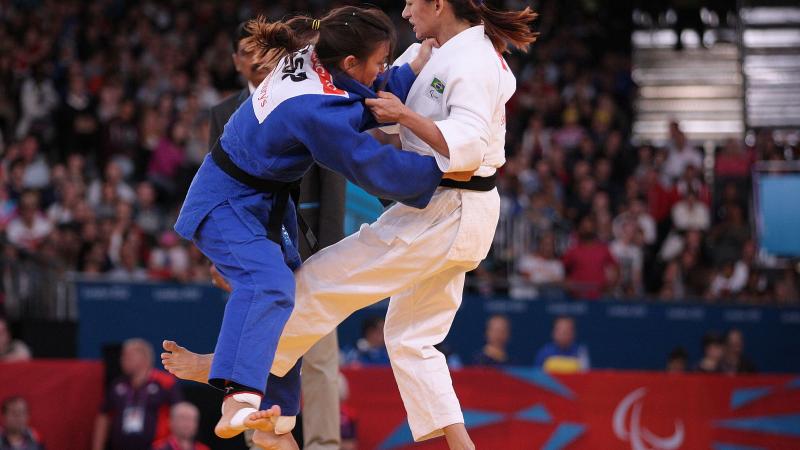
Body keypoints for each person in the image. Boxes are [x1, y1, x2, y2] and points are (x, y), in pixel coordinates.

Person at [164, 1, 536, 448]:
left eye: (412, 1)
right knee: (408, 340)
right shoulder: (434, 53)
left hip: (448, 209)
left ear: (439, 4)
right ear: (350, 61)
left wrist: (410, 112)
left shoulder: (462, 58)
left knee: (309, 286)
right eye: (380, 60)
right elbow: (371, 121)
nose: (405, 8)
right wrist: (414, 91)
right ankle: (460, 444)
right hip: (446, 210)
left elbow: (390, 109)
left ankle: (233, 370)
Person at [209, 22, 345, 450]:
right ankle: (261, 440)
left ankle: (324, 444)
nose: (254, 58)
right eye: (245, 52)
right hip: (252, 244)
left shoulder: (307, 94)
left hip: (307, 244)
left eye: (259, 49)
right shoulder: (223, 111)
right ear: (235, 61)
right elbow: (218, 182)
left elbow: (333, 178)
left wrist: (329, 249)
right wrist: (221, 255)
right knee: (258, 342)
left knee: (319, 358)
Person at [92, 339, 182, 450]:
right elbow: (104, 416)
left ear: (143, 358)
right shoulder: (117, 385)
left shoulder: (165, 382)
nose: (122, 360)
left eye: (128, 356)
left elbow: (180, 415)